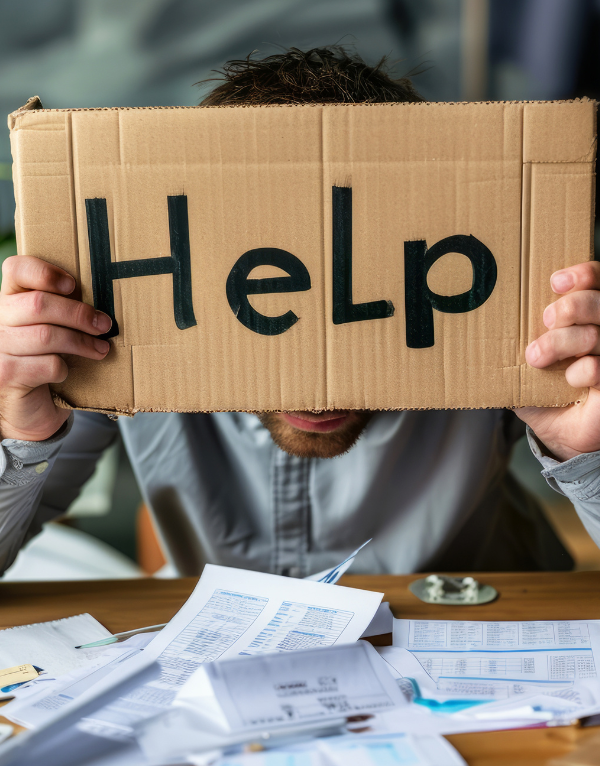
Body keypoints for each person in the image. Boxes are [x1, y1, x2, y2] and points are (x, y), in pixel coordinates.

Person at [1, 47, 599, 578]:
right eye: (266, 288)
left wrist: (587, 456)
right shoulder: (120, 316)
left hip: (484, 625)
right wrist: (17, 430)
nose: (316, 394)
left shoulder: (512, 309)